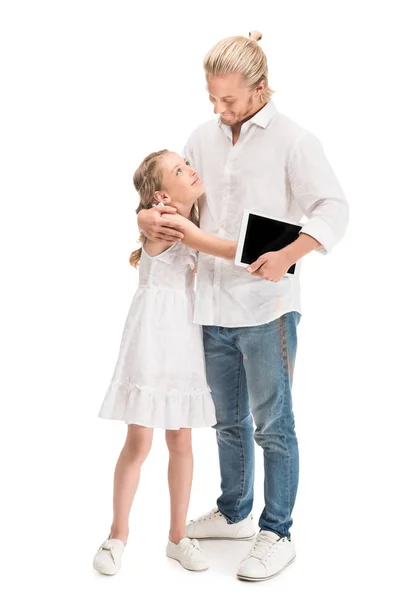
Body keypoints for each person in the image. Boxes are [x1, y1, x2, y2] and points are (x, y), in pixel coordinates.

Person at [138, 31, 349, 582]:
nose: (218, 108)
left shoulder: (294, 140)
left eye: (228, 99)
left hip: (267, 305)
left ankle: (277, 530)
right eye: (211, 97)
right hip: (209, 306)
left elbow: (333, 209)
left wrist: (290, 254)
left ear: (259, 88)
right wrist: (146, 219)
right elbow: (174, 199)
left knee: (273, 425)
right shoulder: (201, 137)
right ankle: (234, 511)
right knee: (226, 421)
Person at [93, 149, 237, 575]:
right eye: (179, 170)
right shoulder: (165, 222)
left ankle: (177, 535)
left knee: (181, 443)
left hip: (185, 343)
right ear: (159, 196)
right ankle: (117, 534)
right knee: (139, 443)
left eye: (189, 164)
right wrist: (145, 214)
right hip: (153, 343)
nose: (191, 169)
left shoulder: (191, 219)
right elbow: (172, 229)